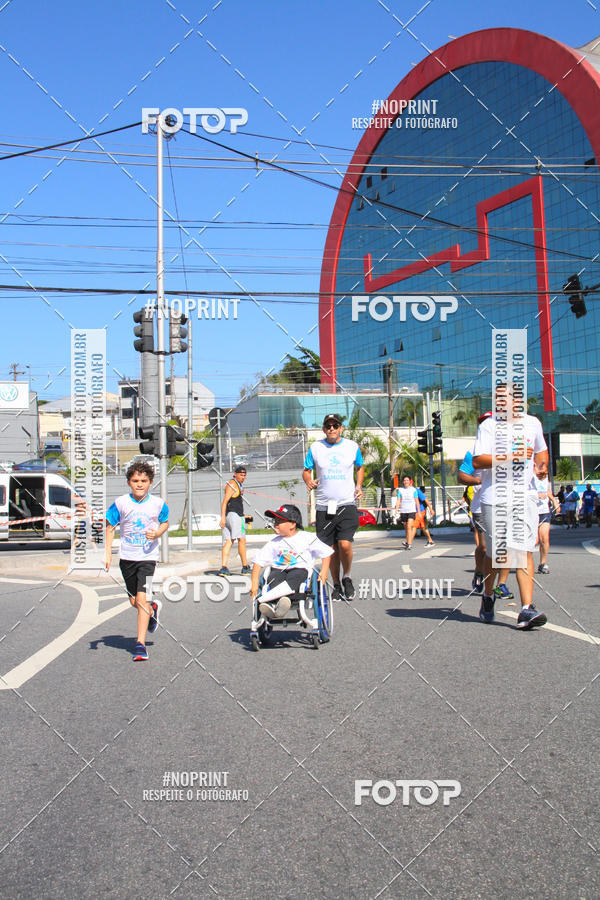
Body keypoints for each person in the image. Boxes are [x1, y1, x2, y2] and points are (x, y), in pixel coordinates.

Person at [472, 383, 549, 629]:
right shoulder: (489, 426)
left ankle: (526, 609)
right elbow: (478, 460)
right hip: (495, 497)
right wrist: (510, 457)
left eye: (506, 398)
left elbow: (541, 452)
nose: (501, 402)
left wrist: (541, 466)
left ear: (518, 400)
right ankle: (488, 596)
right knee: (497, 555)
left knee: (524, 550)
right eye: (498, 399)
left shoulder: (533, 423)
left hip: (523, 496)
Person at [105, 461, 169, 661]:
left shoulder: (158, 504)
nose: (139, 484)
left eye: (143, 481)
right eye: (135, 481)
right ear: (128, 482)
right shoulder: (121, 503)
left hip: (148, 559)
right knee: (135, 601)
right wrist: (107, 553)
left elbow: (165, 522)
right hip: (127, 558)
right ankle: (153, 609)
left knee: (142, 600)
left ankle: (140, 644)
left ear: (150, 482)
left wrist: (158, 532)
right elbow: (109, 527)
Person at [302, 413, 364, 601]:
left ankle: (347, 577)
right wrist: (309, 481)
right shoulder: (316, 447)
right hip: (324, 506)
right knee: (329, 549)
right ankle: (336, 584)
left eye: (335, 425)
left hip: (346, 504)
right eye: (328, 426)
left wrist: (359, 486)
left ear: (340, 428)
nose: (331, 429)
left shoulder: (352, 446)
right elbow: (306, 471)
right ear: (323, 429)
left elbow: (360, 467)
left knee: (344, 544)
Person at [250, 504, 333, 619]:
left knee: (296, 577)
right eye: (275, 521)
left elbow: (326, 553)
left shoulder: (307, 537)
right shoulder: (274, 542)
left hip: (300, 569)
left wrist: (324, 572)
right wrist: (254, 584)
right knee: (273, 579)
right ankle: (277, 604)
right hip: (278, 570)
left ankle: (271, 601)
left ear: (293, 524)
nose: (275, 524)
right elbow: (258, 561)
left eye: (280, 521)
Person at [458, 411, 493, 593]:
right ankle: (479, 572)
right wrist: (479, 481)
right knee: (485, 546)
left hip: (503, 503)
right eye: (484, 423)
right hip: (481, 504)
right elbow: (461, 476)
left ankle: (499, 584)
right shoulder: (473, 452)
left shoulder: (506, 449)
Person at [219, 466, 250, 575]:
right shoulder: (232, 484)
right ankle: (245, 567)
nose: (243, 477)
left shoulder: (237, 485)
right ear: (235, 474)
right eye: (241, 475)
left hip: (231, 516)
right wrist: (222, 517)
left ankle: (224, 567)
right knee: (242, 540)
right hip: (235, 516)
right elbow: (224, 502)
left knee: (229, 541)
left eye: (245, 475)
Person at [533, 460, 559, 574]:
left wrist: (554, 501)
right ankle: (521, 562)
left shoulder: (545, 476)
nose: (544, 469)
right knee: (534, 541)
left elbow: (547, 491)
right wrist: (536, 495)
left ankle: (542, 563)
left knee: (544, 539)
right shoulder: (528, 475)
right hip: (531, 511)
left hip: (544, 511)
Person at [394, 475, 420, 549]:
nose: (406, 482)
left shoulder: (413, 490)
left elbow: (416, 500)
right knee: (406, 527)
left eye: (407, 480)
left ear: (410, 481)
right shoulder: (400, 490)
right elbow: (398, 500)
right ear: (403, 482)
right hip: (403, 511)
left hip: (411, 510)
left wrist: (419, 511)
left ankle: (409, 544)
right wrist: (396, 510)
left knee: (409, 526)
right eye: (404, 480)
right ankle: (408, 541)